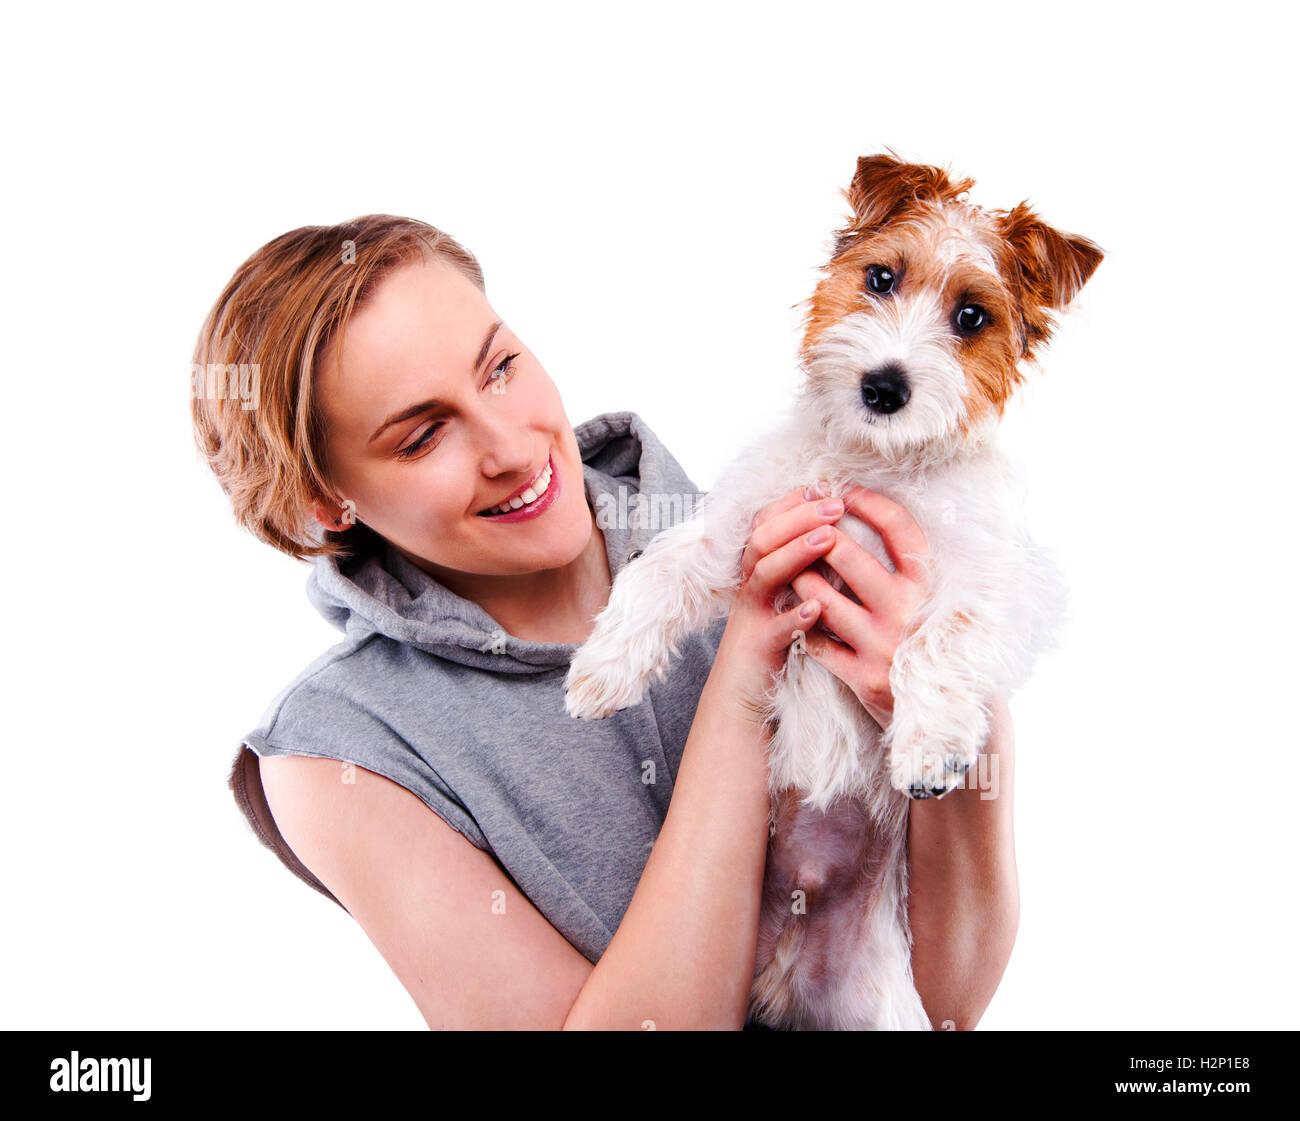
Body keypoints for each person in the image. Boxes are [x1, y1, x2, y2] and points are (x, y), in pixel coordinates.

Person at [192, 215, 1019, 1030]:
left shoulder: (775, 527)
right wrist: (741, 677)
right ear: (325, 501)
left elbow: (942, 1005)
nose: (511, 447)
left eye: (501, 367)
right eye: (422, 435)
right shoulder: (341, 752)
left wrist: (963, 710)